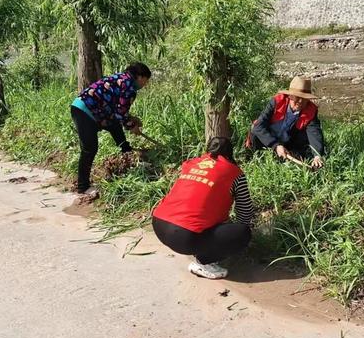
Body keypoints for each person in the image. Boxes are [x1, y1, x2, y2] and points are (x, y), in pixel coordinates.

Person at [152, 137, 254, 280]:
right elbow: (245, 210)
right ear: (230, 153)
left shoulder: (190, 164)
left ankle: (197, 244)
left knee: (214, 224)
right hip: (183, 236)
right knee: (242, 233)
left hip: (159, 224)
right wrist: (237, 238)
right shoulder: (234, 173)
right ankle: (204, 262)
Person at [70, 62, 150, 195]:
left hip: (91, 110)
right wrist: (132, 127)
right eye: (146, 81)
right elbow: (120, 115)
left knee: (114, 126)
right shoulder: (130, 87)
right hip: (85, 111)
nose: (145, 85)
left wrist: (131, 119)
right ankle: (83, 186)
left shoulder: (121, 78)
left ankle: (128, 154)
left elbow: (117, 110)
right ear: (140, 77)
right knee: (89, 149)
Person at [247, 76, 325, 168]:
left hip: (288, 142)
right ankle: (255, 157)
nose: (300, 102)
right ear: (290, 96)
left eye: (304, 99)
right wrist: (276, 146)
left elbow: (314, 133)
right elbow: (258, 126)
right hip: (267, 140)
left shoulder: (311, 109)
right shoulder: (277, 102)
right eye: (297, 97)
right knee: (255, 133)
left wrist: (317, 155)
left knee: (305, 142)